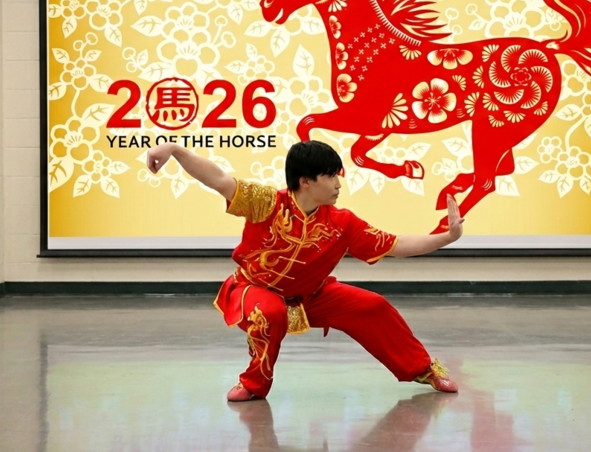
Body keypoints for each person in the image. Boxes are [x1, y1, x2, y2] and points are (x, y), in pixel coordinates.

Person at [146, 140, 463, 401]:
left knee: (374, 306)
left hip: (311, 296)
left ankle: (423, 369)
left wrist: (448, 237)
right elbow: (217, 179)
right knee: (269, 311)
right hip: (254, 290)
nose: (338, 184)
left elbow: (397, 244)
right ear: (306, 181)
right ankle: (253, 384)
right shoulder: (266, 203)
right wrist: (174, 149)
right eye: (331, 177)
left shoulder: (342, 223)